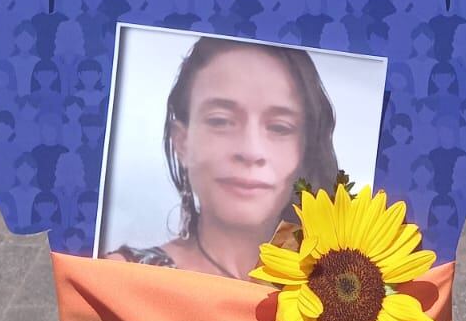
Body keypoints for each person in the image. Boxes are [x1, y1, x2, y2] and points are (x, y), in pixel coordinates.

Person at [104, 36, 339, 280]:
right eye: (221, 121)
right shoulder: (120, 278)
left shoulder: (339, 284)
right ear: (181, 142)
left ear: (306, 150)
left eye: (280, 127)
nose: (251, 151)